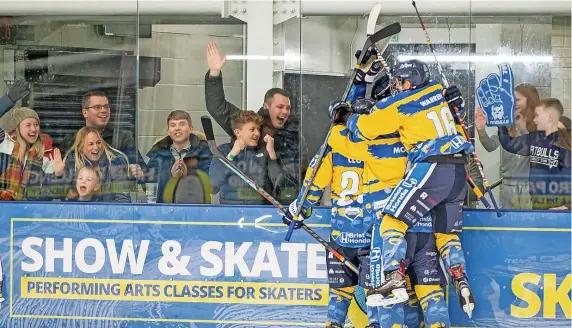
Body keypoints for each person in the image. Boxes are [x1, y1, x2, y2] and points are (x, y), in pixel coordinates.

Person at [330, 59, 475, 318]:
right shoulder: (437, 91)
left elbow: (363, 130)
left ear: (408, 82)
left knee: (391, 221)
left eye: (399, 81)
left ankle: (393, 277)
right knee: (446, 234)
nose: (396, 86)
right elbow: (456, 112)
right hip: (458, 172)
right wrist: (458, 106)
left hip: (432, 166)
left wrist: (345, 116)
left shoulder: (397, 105)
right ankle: (459, 275)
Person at [205, 41, 305, 203]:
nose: (285, 111)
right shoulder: (246, 124)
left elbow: (295, 177)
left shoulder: (293, 137)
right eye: (280, 106)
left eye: (288, 108)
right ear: (266, 106)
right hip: (237, 206)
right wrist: (214, 73)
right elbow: (218, 107)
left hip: (273, 208)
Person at [59, 91, 146, 187]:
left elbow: (145, 172)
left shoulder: (123, 138)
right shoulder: (71, 141)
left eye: (106, 106)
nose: (104, 110)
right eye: (97, 107)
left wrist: (138, 172)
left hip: (114, 198)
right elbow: (62, 181)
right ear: (85, 112)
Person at [475, 83, 540, 209]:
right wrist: (481, 130)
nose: (513, 102)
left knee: (528, 223)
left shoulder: (538, 126)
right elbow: (490, 146)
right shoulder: (508, 125)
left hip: (529, 186)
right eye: (511, 98)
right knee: (507, 224)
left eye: (517, 99)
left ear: (530, 100)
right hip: (507, 186)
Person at [498, 98, 571, 210]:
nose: (535, 120)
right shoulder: (535, 138)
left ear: (550, 117)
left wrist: (567, 206)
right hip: (538, 206)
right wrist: (500, 123)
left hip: (560, 209)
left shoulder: (565, 143)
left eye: (537, 115)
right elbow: (509, 144)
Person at [209, 110, 281, 205]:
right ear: (238, 132)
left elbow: (279, 187)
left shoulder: (264, 151)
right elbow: (213, 185)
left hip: (261, 212)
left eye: (258, 129)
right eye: (252, 129)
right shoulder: (223, 151)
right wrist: (231, 155)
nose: (257, 133)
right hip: (231, 212)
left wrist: (272, 154)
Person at [143, 110, 213, 204]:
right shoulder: (158, 153)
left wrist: (189, 175)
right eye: (173, 125)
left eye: (182, 124)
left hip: (197, 210)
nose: (177, 128)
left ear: (190, 129)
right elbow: (148, 186)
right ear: (168, 131)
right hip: (165, 211)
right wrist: (170, 175)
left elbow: (213, 186)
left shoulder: (205, 152)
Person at [0, 106, 62, 200]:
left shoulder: (45, 153)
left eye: (36, 124)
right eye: (28, 125)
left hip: (30, 211)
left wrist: (58, 175)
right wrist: (9, 99)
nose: (33, 129)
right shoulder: (4, 142)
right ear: (18, 127)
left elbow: (51, 192)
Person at [57, 126, 131, 202]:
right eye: (91, 144)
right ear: (81, 148)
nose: (96, 147)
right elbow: (57, 195)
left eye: (98, 143)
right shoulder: (72, 164)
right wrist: (58, 175)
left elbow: (123, 199)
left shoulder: (115, 164)